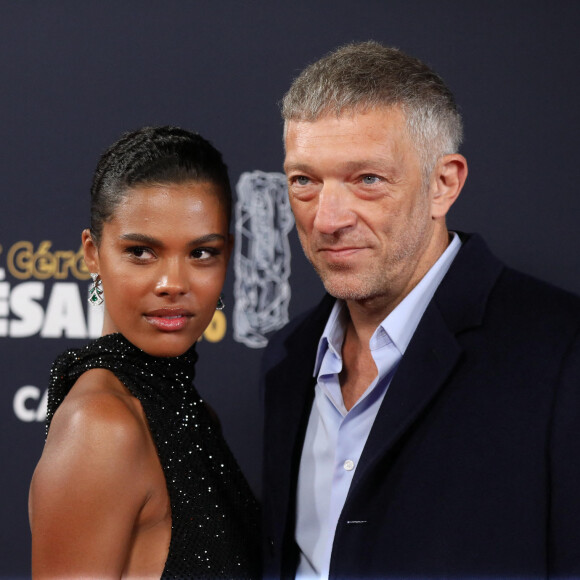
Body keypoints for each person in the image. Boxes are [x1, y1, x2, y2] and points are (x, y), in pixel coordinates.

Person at [261, 41, 580, 579]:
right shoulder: (288, 358)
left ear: (443, 183)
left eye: (367, 179)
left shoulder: (561, 354)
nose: (327, 219)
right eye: (305, 182)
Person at [29, 126, 261, 579]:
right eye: (140, 252)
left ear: (227, 256)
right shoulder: (102, 427)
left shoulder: (191, 413)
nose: (173, 283)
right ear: (92, 255)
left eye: (201, 253)